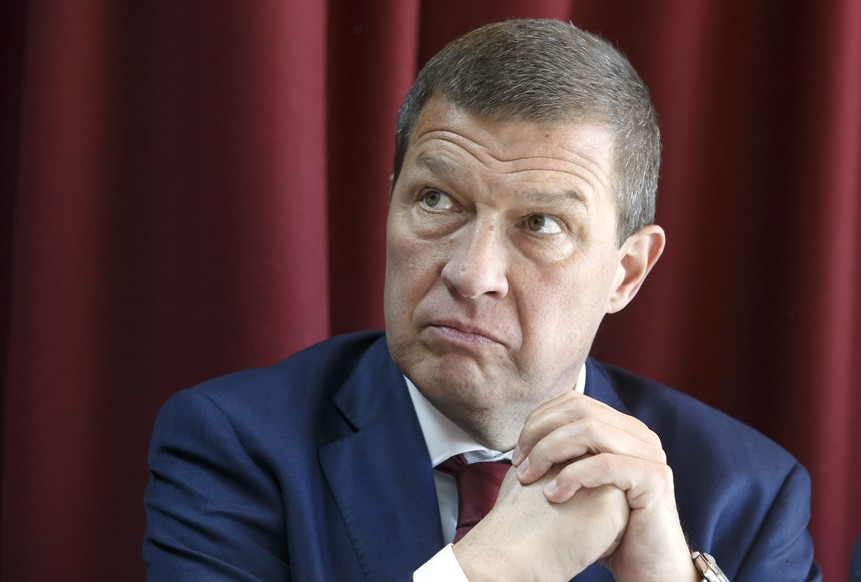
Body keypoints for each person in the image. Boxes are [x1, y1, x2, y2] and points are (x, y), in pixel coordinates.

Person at [143, 19, 821, 581]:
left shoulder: (748, 495)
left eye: (540, 224)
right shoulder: (236, 445)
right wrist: (494, 568)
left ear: (625, 272)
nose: (471, 275)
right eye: (435, 201)